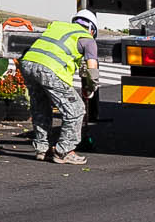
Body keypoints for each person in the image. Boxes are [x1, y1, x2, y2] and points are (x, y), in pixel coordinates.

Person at [19, 9, 101, 165]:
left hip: (28, 64)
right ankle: (64, 151)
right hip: (50, 70)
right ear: (92, 29)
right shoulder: (88, 39)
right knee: (76, 110)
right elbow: (92, 69)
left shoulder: (57, 27)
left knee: (41, 108)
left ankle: (42, 149)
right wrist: (91, 87)